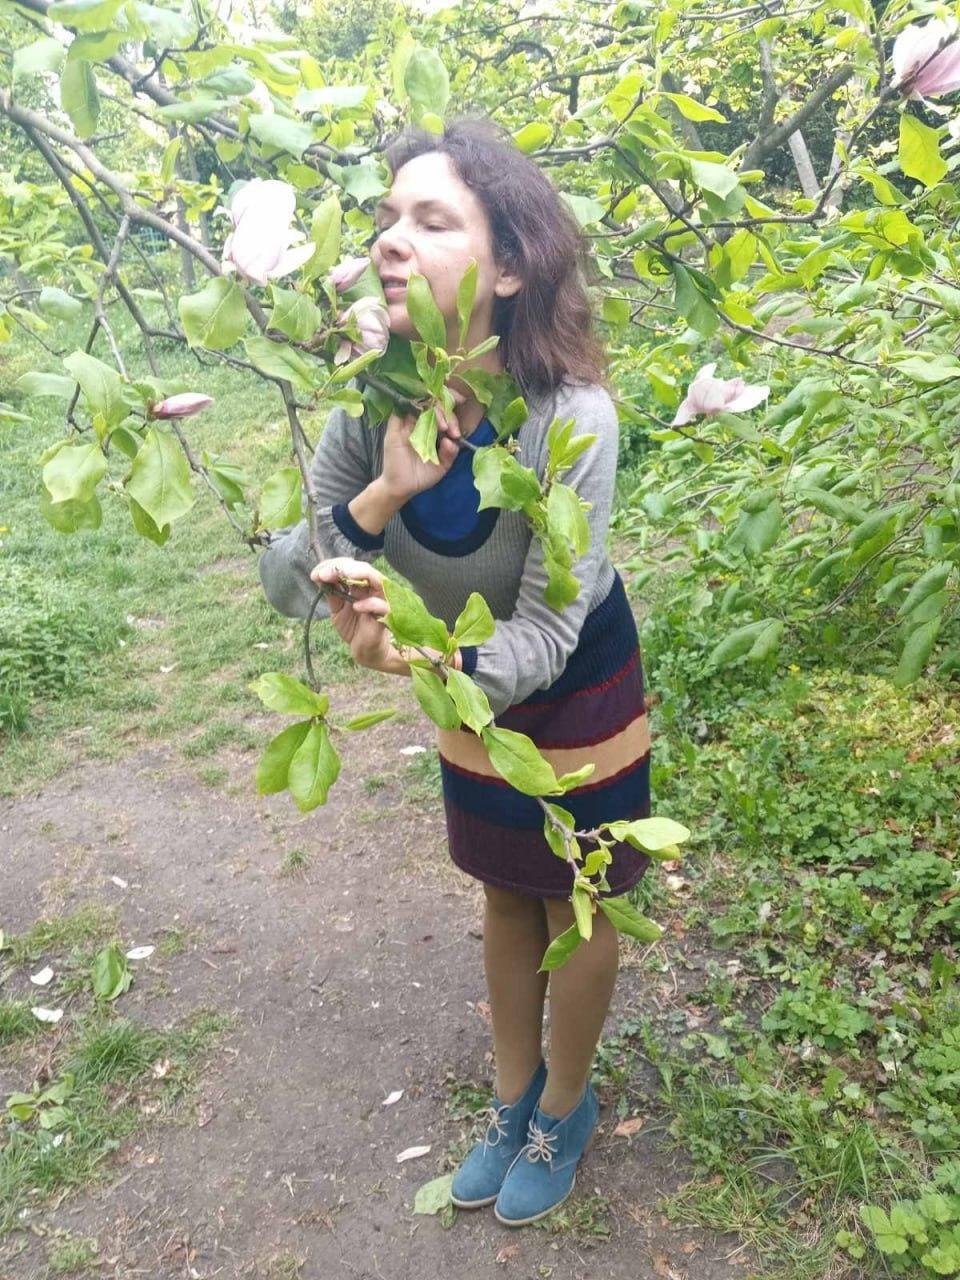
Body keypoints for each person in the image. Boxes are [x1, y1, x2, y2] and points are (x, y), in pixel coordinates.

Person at [257, 117, 652, 1227]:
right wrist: (382, 495)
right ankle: (512, 1096)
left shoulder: (568, 419)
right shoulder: (367, 406)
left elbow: (550, 630)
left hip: (568, 676)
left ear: (510, 266)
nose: (390, 239)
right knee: (503, 883)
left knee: (576, 891)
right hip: (462, 671)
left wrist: (425, 658)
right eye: (387, 218)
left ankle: (564, 1106)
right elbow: (287, 582)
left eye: (431, 220)